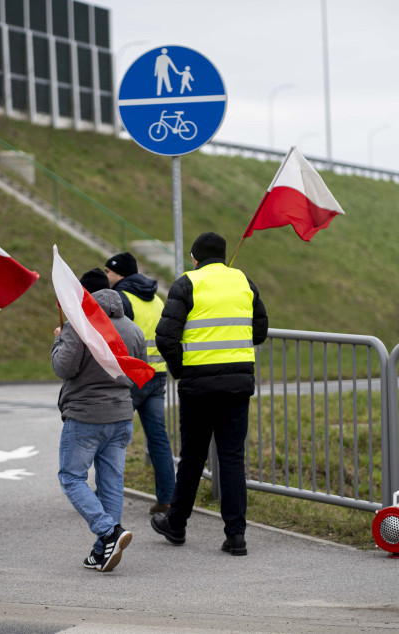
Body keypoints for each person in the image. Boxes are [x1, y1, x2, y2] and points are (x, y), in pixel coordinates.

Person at [150, 232, 268, 556]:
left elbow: (165, 338)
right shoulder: (244, 282)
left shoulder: (187, 283)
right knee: (232, 458)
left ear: (195, 257)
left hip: (198, 386)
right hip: (237, 385)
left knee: (192, 458)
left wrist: (182, 370)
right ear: (224, 255)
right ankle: (236, 535)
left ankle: (176, 526)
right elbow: (260, 330)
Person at [51, 270, 146, 572]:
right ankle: (102, 550)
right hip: (121, 415)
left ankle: (108, 531)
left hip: (85, 415)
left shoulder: (80, 324)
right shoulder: (132, 328)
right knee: (111, 483)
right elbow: (138, 368)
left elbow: (64, 368)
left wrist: (57, 343)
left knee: (71, 477)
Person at [104, 252, 176, 515]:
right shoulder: (156, 298)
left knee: (112, 437)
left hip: (133, 378)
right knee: (158, 439)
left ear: (120, 274)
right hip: (156, 376)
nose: (106, 277)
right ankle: (167, 498)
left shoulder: (122, 299)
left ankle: (106, 497)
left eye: (108, 273)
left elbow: (117, 337)